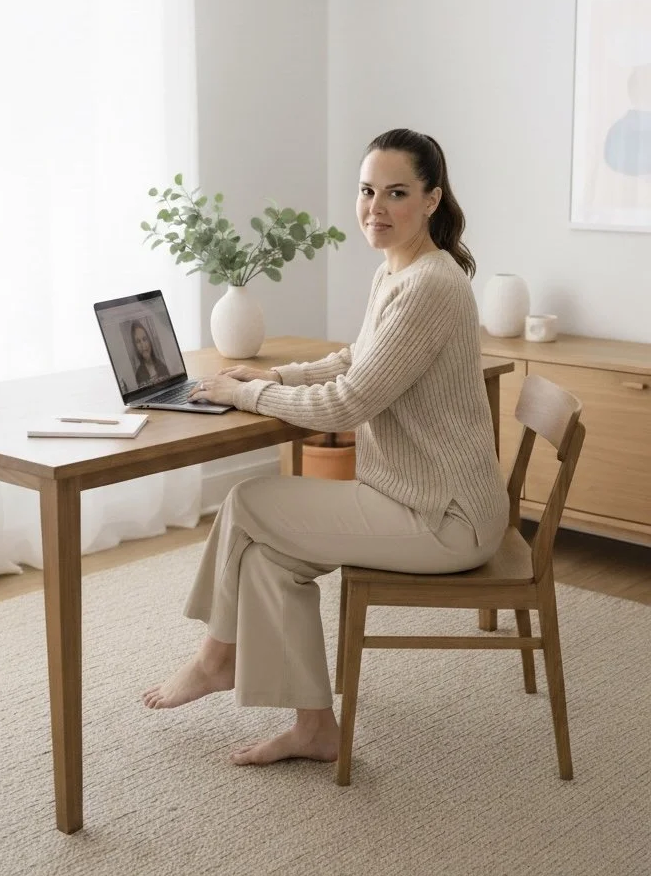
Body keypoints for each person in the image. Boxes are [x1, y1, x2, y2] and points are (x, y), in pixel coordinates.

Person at [142, 128, 509, 768]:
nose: (376, 208)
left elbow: (349, 402)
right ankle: (314, 729)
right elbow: (354, 361)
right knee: (267, 560)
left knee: (250, 500)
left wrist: (244, 397)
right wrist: (272, 378)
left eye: (396, 193)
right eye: (368, 191)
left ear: (431, 200)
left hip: (446, 518)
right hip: (412, 496)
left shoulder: (429, 286)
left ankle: (215, 657)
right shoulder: (397, 269)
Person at [131, 320, 168, 386]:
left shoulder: (162, 366)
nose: (143, 345)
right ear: (135, 347)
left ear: (149, 341)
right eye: (138, 341)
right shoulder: (139, 375)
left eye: (144, 339)